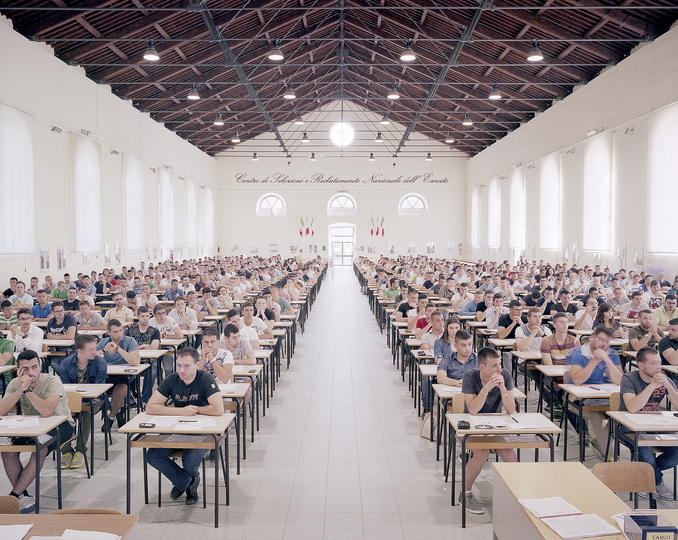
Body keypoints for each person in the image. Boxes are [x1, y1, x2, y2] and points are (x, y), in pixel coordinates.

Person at [145, 347, 224, 506]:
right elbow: (150, 407)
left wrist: (195, 410)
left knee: (189, 461)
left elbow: (218, 409)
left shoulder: (205, 378)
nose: (181, 370)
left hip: (203, 431)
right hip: (177, 429)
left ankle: (187, 487)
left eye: (186, 366)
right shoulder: (172, 379)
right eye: (179, 365)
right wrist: (180, 411)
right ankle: (187, 482)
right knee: (152, 455)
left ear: (197, 364)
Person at [0, 350, 74, 513]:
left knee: (40, 448)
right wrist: (20, 389)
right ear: (18, 370)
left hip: (62, 424)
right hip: (31, 426)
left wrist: (27, 391)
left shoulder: (52, 381)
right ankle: (23, 497)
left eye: (34, 367)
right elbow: (2, 411)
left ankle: (13, 495)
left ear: (40, 366)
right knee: (5, 447)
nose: (31, 372)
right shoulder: (14, 384)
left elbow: (47, 411)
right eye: (25, 369)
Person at [460, 347, 517, 514]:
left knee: (508, 451)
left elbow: (511, 409)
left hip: (495, 423)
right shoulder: (470, 376)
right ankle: (465, 493)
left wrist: (503, 389)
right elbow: (473, 410)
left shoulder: (505, 375)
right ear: (482, 367)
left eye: (499, 364)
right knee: (482, 452)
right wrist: (486, 389)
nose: (499, 369)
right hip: (472, 424)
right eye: (494, 366)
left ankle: (516, 492)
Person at [618, 347, 678, 499]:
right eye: (653, 364)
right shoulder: (629, 378)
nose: (659, 367)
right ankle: (656, 481)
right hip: (629, 425)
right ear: (641, 365)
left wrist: (668, 386)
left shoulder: (664, 379)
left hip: (654, 424)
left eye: (659, 363)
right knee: (646, 451)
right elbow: (632, 407)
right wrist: (652, 386)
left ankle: (645, 475)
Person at [567, 326, 623, 457]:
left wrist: (607, 360)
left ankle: (598, 441)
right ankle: (608, 453)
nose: (603, 344)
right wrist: (595, 360)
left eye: (607, 341)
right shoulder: (578, 352)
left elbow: (620, 380)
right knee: (595, 413)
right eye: (601, 339)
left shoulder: (611, 353)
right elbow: (577, 380)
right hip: (577, 397)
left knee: (620, 412)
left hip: (603, 395)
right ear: (592, 337)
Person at [59, 334, 107, 469]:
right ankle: (66, 451)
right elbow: (65, 388)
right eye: (91, 349)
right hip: (72, 398)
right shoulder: (66, 363)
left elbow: (98, 388)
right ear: (80, 351)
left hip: (93, 399)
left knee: (86, 412)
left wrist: (79, 402)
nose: (95, 352)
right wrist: (74, 403)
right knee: (62, 412)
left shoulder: (100, 363)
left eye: (95, 348)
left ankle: (80, 449)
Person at [96, 319, 140, 429]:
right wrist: (103, 351)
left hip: (125, 376)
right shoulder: (104, 342)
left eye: (121, 330)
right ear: (108, 333)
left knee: (120, 391)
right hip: (107, 375)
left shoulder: (130, 341)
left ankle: (111, 417)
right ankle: (119, 410)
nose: (119, 334)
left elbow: (135, 361)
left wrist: (118, 348)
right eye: (115, 332)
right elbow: (91, 358)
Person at [126, 306, 161, 404]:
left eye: (147, 316)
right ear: (138, 316)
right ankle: (131, 399)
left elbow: (154, 347)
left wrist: (136, 347)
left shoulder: (154, 331)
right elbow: (126, 348)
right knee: (124, 374)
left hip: (148, 361)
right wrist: (143, 346)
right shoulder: (131, 331)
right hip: (133, 361)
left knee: (152, 372)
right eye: (142, 316)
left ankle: (145, 400)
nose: (145, 318)